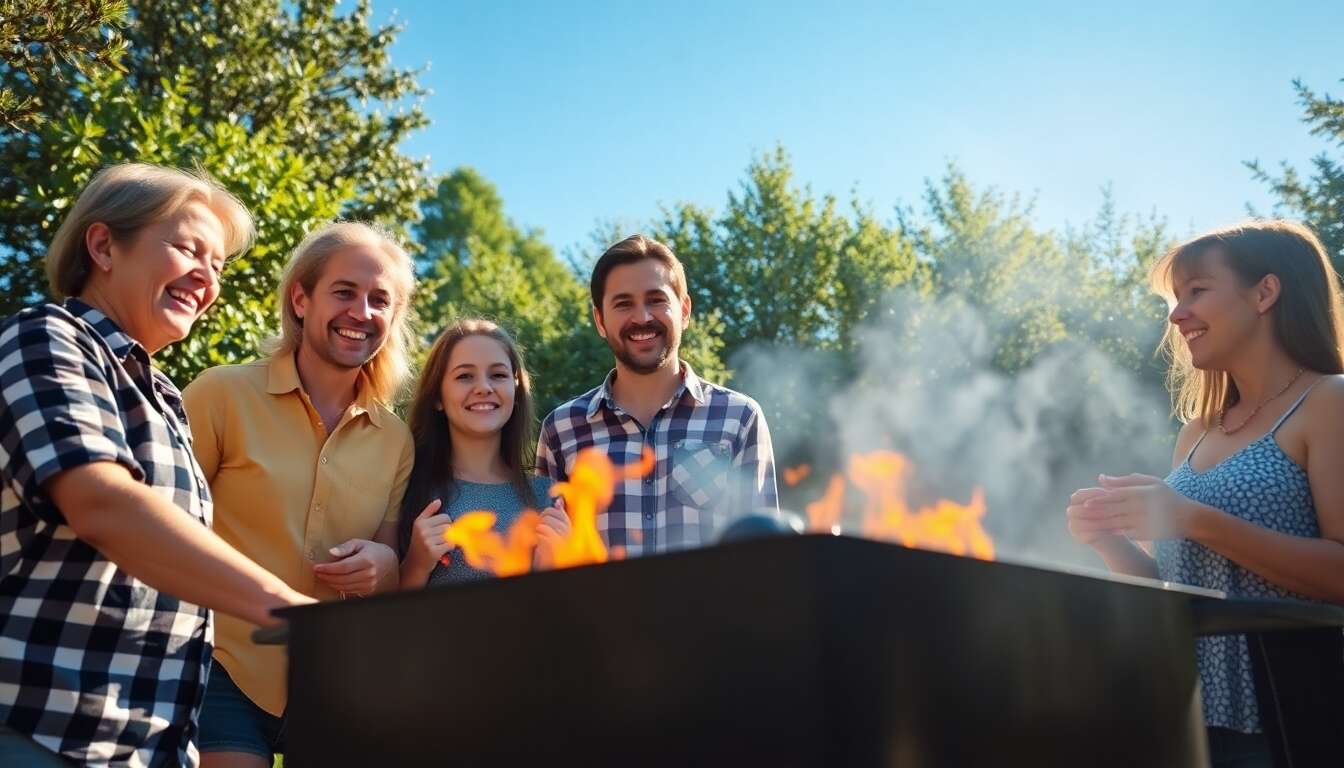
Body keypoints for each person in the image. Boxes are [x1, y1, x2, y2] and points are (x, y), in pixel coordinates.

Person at [0, 163, 313, 767]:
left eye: (217, 265)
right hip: (41, 731)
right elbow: (103, 502)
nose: (206, 278)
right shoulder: (45, 337)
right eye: (189, 249)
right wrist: (288, 609)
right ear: (103, 246)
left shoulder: (164, 397)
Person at [1066, 219, 1344, 767]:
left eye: (1196, 291)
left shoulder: (1329, 402)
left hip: (1291, 726)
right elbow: (1185, 596)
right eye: (1176, 298)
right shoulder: (1197, 432)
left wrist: (1190, 517)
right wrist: (1110, 541)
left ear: (1265, 292)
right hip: (1188, 726)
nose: (1176, 315)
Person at [181, 222, 416, 767]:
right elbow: (163, 525)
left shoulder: (396, 439)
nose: (362, 312)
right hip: (223, 665)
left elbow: (391, 576)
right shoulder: (222, 393)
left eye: (380, 300)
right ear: (301, 298)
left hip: (334, 682)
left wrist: (382, 564)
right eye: (344, 292)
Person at [536, 234, 779, 555]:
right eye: (624, 304)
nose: (642, 317)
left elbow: (764, 556)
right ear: (600, 320)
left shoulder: (739, 417)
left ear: (685, 310)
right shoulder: (562, 429)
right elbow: (544, 561)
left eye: (656, 299)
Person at [398, 318, 568, 586]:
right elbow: (386, 617)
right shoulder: (406, 489)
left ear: (516, 390)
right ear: (437, 397)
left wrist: (553, 568)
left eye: (498, 375)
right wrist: (416, 565)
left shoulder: (548, 497)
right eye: (465, 376)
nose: (484, 388)